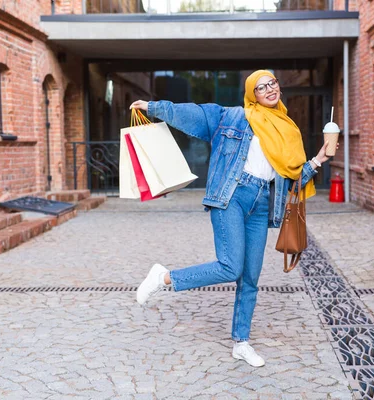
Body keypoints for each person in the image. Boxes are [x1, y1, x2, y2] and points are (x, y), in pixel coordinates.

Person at [130, 70, 333, 367]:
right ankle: (164, 277)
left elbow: (291, 180)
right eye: (261, 86)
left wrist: (317, 160)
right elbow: (194, 114)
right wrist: (154, 107)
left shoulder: (288, 129)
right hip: (232, 196)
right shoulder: (232, 116)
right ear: (253, 93)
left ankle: (241, 342)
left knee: (250, 277)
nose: (269, 89)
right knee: (230, 265)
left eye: (272, 83)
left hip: (263, 203)